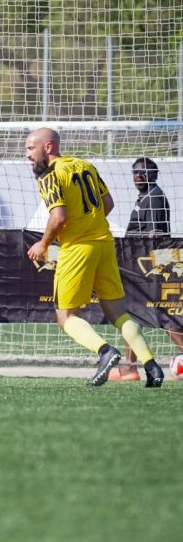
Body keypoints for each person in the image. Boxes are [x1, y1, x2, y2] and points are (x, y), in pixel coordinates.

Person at [25, 128, 164, 387]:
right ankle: (152, 366)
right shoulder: (85, 166)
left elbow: (58, 217)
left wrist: (43, 244)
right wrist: (90, 224)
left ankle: (105, 351)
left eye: (31, 148)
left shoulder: (50, 175)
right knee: (118, 313)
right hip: (104, 245)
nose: (27, 155)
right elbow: (107, 203)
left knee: (65, 317)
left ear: (48, 147)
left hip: (77, 249)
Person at [110, 156, 183, 381]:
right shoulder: (145, 197)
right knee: (138, 315)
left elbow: (155, 236)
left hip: (147, 267)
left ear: (155, 174)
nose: (138, 175)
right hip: (141, 266)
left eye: (143, 172)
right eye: (135, 172)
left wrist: (142, 262)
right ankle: (130, 368)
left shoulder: (155, 198)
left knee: (161, 315)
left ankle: (130, 368)